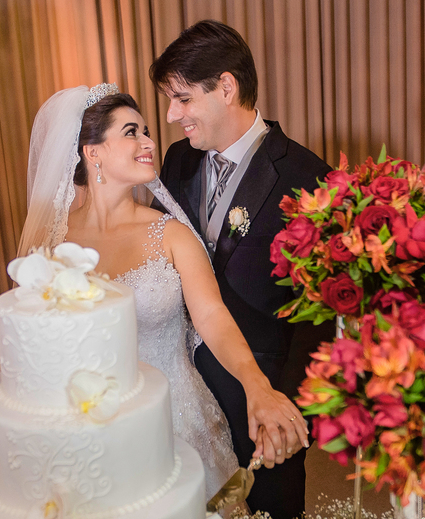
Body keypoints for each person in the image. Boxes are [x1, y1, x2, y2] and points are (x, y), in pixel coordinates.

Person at [17, 85, 308, 498]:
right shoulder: (52, 239)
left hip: (175, 419)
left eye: (147, 131)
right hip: (85, 423)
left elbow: (212, 318)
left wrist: (256, 385)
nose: (149, 142)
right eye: (131, 132)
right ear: (92, 152)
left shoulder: (171, 234)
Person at [151, 20, 333, 519]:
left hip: (263, 400)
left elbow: (320, 314)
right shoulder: (177, 162)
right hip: (183, 391)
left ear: (226, 88)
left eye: (183, 99)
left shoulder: (307, 178)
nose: (172, 115)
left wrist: (294, 414)